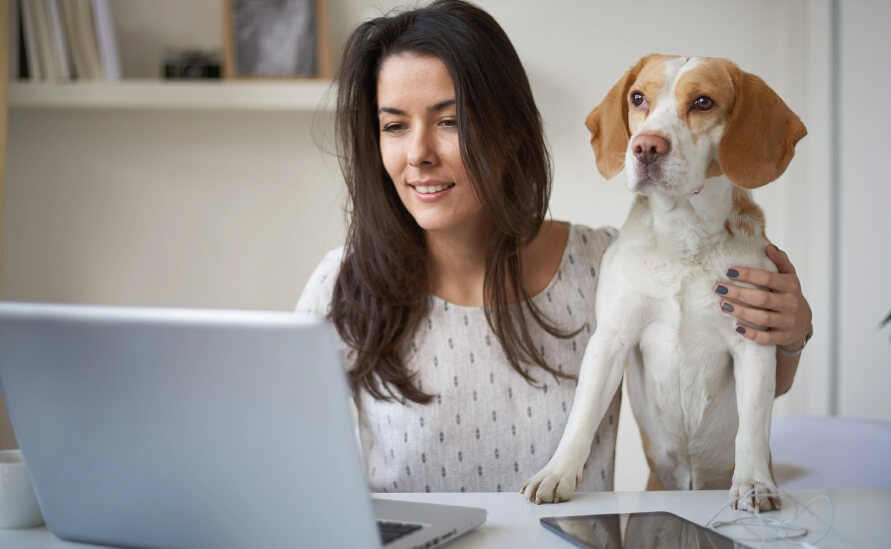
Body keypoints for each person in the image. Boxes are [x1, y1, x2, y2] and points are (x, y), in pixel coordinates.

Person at [296, 0, 813, 494]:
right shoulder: (341, 285)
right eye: (393, 125)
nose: (419, 154)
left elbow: (733, 376)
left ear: (512, 132)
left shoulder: (604, 265)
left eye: (450, 121)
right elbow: (280, 449)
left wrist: (790, 331)